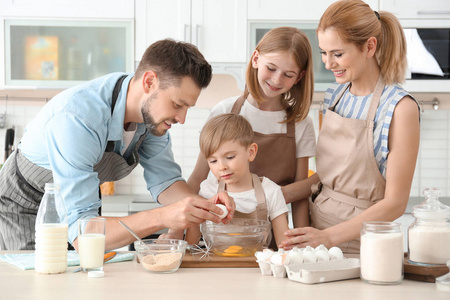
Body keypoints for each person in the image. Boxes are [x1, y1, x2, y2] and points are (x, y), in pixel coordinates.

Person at [0, 39, 235, 251]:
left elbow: (166, 183)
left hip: (80, 207)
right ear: (150, 82)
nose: (181, 119)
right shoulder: (77, 119)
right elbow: (85, 236)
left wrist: (204, 207)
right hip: (25, 202)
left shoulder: (151, 117)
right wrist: (164, 217)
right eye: (177, 104)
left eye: (187, 108)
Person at [280, 0, 420, 253]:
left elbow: (396, 204)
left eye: (338, 54)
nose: (328, 63)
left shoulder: (399, 108)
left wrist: (327, 238)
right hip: (317, 234)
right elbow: (330, 175)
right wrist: (274, 195)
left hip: (364, 245)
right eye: (323, 52)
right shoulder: (335, 95)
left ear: (369, 47)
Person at [187, 27, 316, 230]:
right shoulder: (225, 110)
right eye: (271, 68)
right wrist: (176, 232)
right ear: (256, 59)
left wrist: (301, 239)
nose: (276, 80)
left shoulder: (301, 123)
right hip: (219, 235)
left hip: (271, 239)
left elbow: (300, 196)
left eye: (288, 74)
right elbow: (198, 177)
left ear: (299, 77)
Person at [180, 113, 289, 247]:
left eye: (230, 157)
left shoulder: (270, 191)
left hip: (255, 266)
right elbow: (192, 245)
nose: (222, 167)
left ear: (251, 152)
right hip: (216, 265)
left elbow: (285, 246)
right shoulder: (208, 190)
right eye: (213, 160)